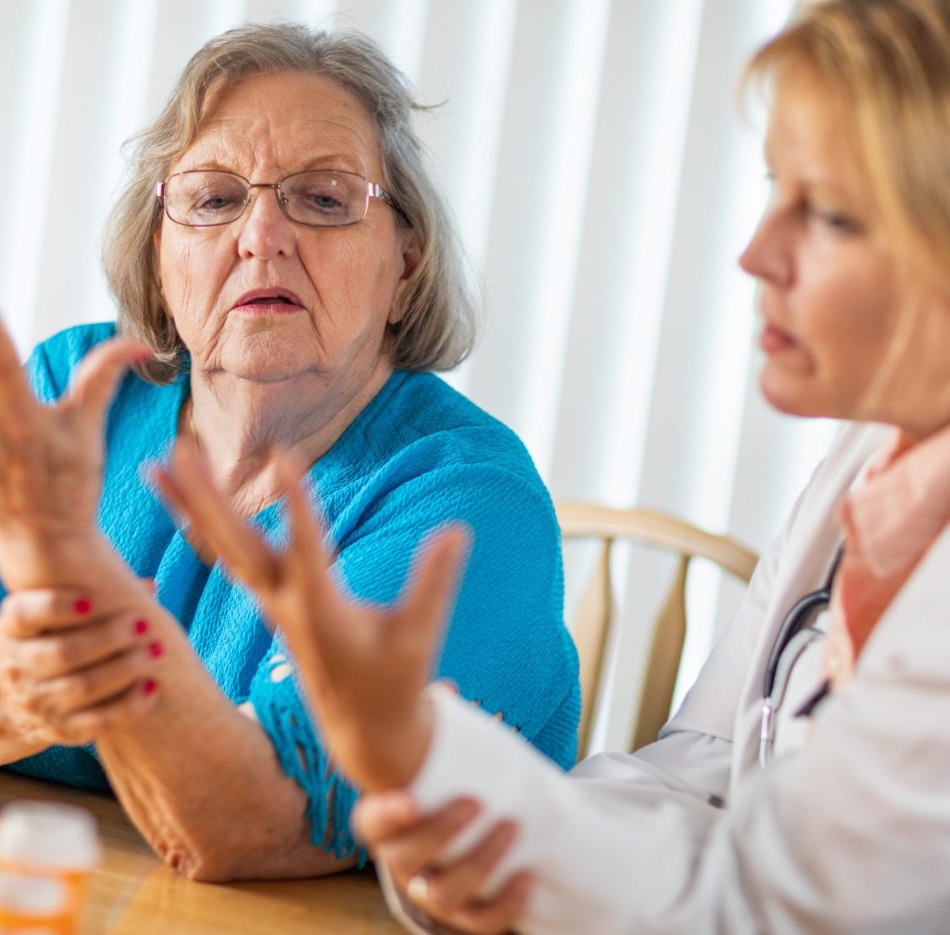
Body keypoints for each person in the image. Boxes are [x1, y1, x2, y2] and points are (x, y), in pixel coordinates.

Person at [152, 0, 950, 927]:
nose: (756, 251)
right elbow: (701, 765)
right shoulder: (872, 463)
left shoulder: (458, 491)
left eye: (834, 215)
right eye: (774, 189)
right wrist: (468, 840)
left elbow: (774, 907)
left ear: (407, 257)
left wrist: (432, 760)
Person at [0, 24, 580, 882]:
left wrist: (87, 647)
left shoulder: (468, 501)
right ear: (159, 253)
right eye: (213, 200)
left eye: (324, 199)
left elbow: (258, 821)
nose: (262, 236)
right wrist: (24, 684)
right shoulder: (82, 391)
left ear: (406, 260)